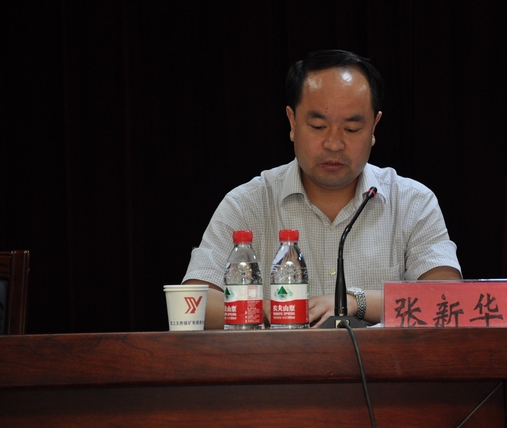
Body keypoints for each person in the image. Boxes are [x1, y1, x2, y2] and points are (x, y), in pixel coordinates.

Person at [183, 49, 461, 329]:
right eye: (318, 126)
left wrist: (355, 302)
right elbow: (192, 302)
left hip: (378, 360)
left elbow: (451, 300)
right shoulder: (246, 204)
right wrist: (273, 309)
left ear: (374, 127)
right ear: (292, 122)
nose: (333, 144)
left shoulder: (412, 203)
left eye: (351, 129)